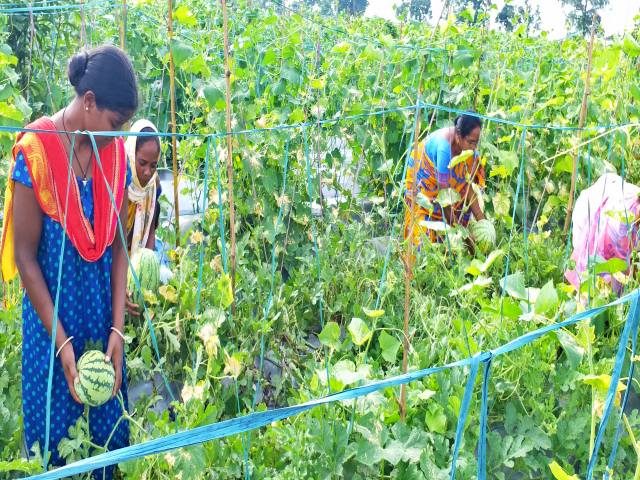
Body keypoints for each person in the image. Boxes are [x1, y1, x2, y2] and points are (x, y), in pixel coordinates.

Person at [0, 45, 138, 478]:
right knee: (56, 445)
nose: (119, 137)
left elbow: (117, 246)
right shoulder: (37, 151)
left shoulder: (113, 157)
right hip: (51, 326)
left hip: (99, 321)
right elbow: (25, 258)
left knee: (106, 441)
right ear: (90, 101)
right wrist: (61, 342)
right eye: (115, 125)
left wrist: (117, 328)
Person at [404, 114, 486, 248]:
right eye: (470, 142)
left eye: (476, 143)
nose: (473, 148)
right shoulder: (444, 149)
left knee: (459, 213)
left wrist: (483, 223)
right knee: (423, 234)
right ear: (458, 135)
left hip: (446, 190)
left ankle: (451, 254)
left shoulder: (468, 152)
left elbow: (468, 188)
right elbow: (445, 200)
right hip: (426, 182)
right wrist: (462, 234)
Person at [565, 173, 640, 296]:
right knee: (594, 289)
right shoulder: (620, 224)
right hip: (591, 215)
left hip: (605, 197)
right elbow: (618, 269)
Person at [124, 119, 162, 315]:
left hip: (137, 257)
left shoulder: (154, 187)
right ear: (131, 155)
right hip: (112, 260)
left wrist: (146, 280)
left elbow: (150, 237)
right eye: (142, 163)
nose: (148, 172)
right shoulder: (118, 180)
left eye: (154, 166)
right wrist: (121, 282)